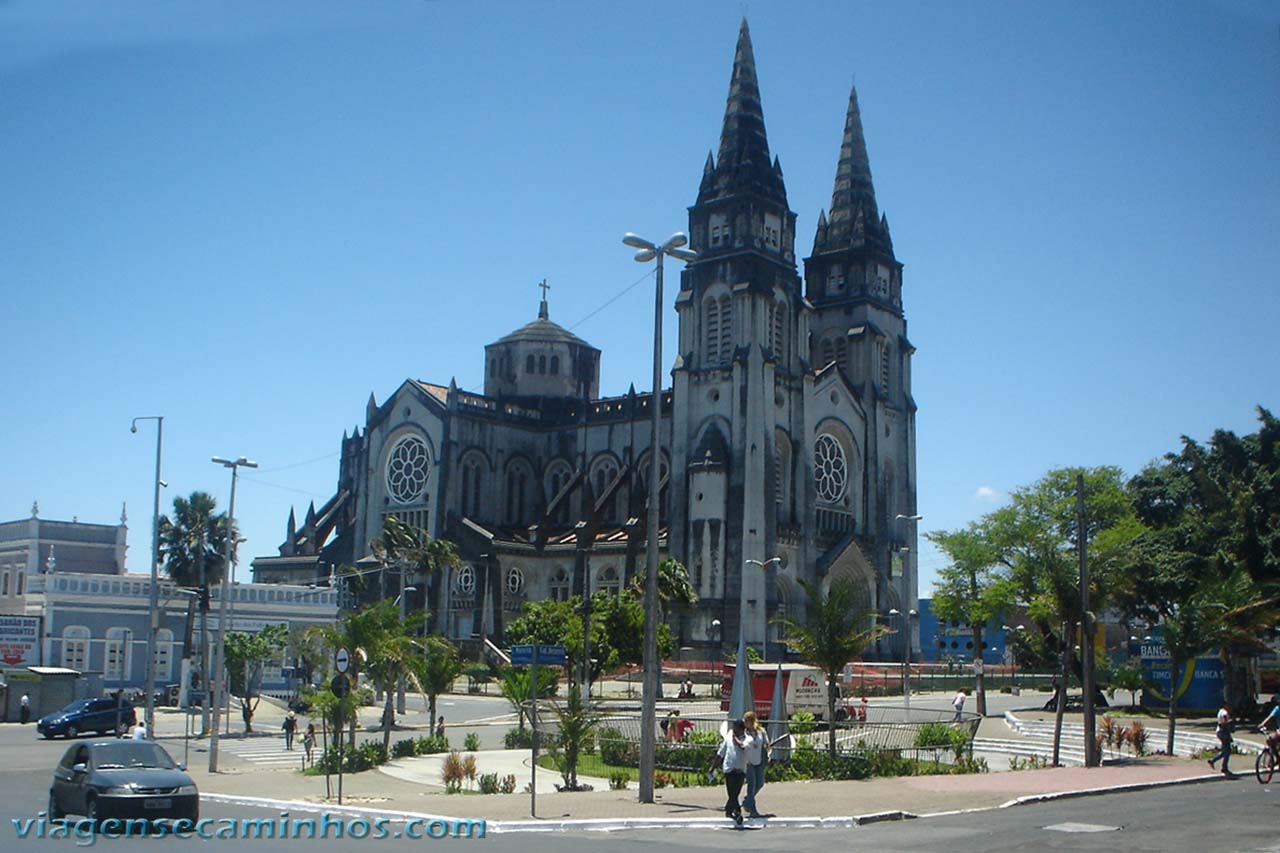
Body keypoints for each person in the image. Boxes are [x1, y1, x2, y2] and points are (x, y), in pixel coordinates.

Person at [709, 719, 748, 826]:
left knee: (735, 793)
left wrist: (737, 740)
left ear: (742, 729)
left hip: (741, 770)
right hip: (729, 769)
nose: (734, 730)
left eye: (737, 729)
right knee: (732, 793)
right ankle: (737, 813)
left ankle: (728, 810)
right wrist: (713, 767)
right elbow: (720, 753)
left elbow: (746, 748)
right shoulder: (728, 738)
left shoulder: (747, 739)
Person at [741, 711, 767, 819]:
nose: (747, 723)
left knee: (760, 783)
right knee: (751, 785)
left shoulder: (760, 732)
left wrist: (768, 752)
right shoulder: (743, 733)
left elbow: (766, 743)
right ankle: (752, 809)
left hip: (759, 760)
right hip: (748, 762)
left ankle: (747, 801)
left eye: (749, 721)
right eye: (746, 721)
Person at [1207, 701, 1233, 775]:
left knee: (1225, 750)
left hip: (1219, 731)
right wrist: (1230, 721)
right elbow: (1225, 721)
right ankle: (1224, 768)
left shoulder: (1220, 711)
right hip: (1223, 732)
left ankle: (1213, 760)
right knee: (1227, 750)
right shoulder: (1225, 712)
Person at [1257, 695, 1279, 761]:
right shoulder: (1277, 708)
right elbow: (1270, 717)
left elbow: (1270, 717)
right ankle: (1276, 757)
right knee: (1270, 740)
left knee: (1270, 740)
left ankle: (1277, 757)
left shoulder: (1277, 708)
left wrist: (1262, 724)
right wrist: (1263, 724)